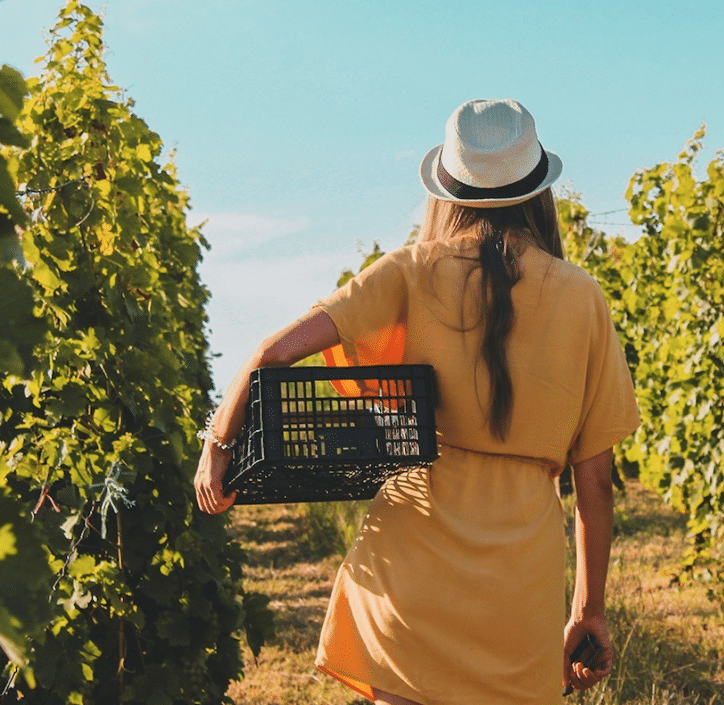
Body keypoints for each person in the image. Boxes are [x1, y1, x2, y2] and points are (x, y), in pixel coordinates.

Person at [193, 98, 641, 705]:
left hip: (411, 568)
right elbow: (596, 479)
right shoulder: (584, 298)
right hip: (520, 585)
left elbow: (272, 354)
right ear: (538, 191)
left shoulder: (410, 270)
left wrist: (218, 445)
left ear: (447, 192)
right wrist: (588, 611)